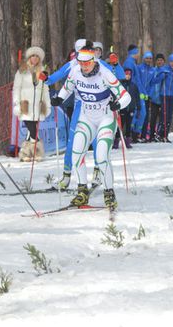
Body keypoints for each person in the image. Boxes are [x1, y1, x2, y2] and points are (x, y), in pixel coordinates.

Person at [50, 45, 131, 211]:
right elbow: (67, 88)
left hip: (105, 118)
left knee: (101, 156)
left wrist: (118, 104)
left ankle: (109, 193)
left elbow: (126, 96)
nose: (84, 66)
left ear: (94, 60)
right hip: (86, 117)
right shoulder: (76, 72)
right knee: (77, 153)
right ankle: (82, 191)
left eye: (87, 62)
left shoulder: (105, 73)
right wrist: (59, 98)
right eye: (81, 62)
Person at [13, 46, 51, 162]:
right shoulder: (22, 70)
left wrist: (47, 104)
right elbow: (16, 88)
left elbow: (46, 89)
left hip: (38, 105)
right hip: (26, 105)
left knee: (32, 130)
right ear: (29, 58)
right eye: (32, 56)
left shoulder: (43, 71)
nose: (34, 58)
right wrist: (17, 103)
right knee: (32, 129)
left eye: (37, 56)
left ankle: (27, 153)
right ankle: (35, 151)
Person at [109, 52, 136, 149]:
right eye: (126, 74)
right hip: (123, 108)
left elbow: (135, 96)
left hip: (131, 108)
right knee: (120, 124)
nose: (127, 76)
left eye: (129, 74)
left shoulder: (133, 85)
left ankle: (128, 140)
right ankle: (116, 141)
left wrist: (137, 106)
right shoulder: (121, 84)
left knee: (128, 126)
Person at [124, 45, 146, 143]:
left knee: (141, 113)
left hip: (137, 92)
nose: (138, 55)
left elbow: (138, 80)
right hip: (133, 92)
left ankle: (135, 134)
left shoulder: (133, 63)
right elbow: (129, 79)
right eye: (137, 53)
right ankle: (131, 134)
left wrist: (143, 92)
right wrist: (134, 91)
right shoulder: (129, 63)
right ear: (134, 53)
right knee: (136, 113)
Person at [158, 53, 173, 142]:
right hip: (164, 94)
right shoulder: (164, 69)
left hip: (172, 95)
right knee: (164, 114)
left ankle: (165, 135)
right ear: (169, 61)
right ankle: (160, 134)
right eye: (171, 61)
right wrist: (162, 76)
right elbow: (156, 80)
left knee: (169, 115)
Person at [146, 53, 166, 142]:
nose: (159, 62)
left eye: (161, 60)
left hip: (162, 98)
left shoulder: (166, 71)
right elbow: (151, 82)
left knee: (162, 118)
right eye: (158, 60)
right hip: (154, 98)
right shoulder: (153, 70)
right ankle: (151, 135)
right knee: (153, 118)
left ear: (164, 61)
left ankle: (161, 135)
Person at [138, 51, 156, 141]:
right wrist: (142, 92)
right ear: (144, 58)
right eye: (147, 58)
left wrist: (149, 94)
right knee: (139, 114)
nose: (148, 60)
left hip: (147, 96)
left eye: (150, 58)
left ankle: (144, 135)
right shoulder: (139, 68)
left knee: (146, 115)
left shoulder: (153, 70)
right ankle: (136, 134)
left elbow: (152, 83)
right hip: (140, 95)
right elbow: (138, 81)